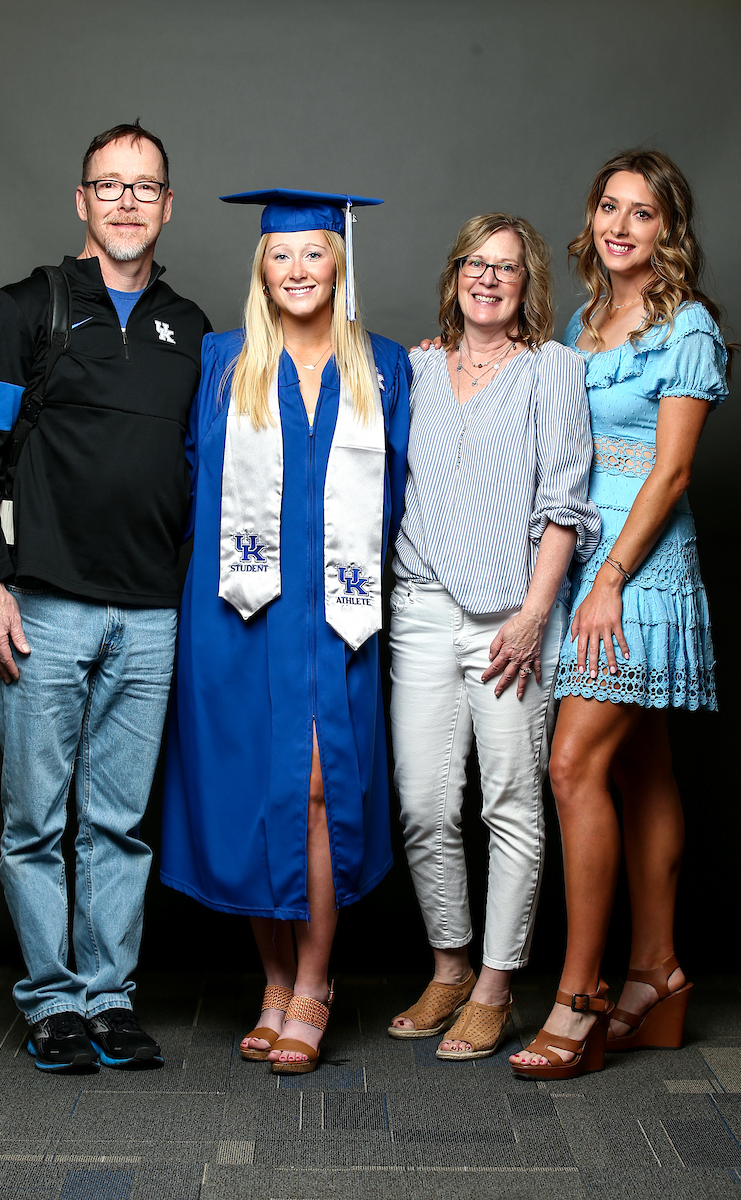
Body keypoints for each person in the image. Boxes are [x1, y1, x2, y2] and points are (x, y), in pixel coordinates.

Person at [0, 121, 210, 1071]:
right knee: (35, 822)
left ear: (167, 204)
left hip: (151, 615)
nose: (129, 201)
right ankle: (51, 1002)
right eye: (111, 186)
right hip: (42, 607)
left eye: (146, 187)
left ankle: (108, 1000)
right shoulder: (25, 309)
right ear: (82, 202)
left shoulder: (193, 329)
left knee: (119, 823)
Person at [160, 189, 410, 1074]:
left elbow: (406, 487)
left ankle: (314, 982)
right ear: (260, 269)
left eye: (314, 254)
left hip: (339, 616)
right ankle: (271, 982)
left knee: (316, 791)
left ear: (339, 262)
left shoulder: (384, 366)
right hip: (236, 613)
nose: (298, 270)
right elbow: (185, 476)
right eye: (281, 256)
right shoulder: (223, 361)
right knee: (251, 792)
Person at [510, 150, 730, 1081]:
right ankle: (658, 974)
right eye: (609, 206)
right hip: (584, 563)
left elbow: (675, 471)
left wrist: (609, 580)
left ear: (668, 231)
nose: (621, 225)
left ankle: (582, 995)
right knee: (639, 767)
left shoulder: (687, 327)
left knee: (572, 765)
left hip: (638, 568)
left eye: (643, 213)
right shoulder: (584, 321)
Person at [386, 214, 599, 1059]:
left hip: (510, 617)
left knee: (509, 803)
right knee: (425, 804)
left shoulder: (553, 369)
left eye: (506, 268)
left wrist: (534, 614)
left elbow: (564, 503)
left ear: (527, 285)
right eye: (476, 263)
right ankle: (448, 966)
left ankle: (496, 986)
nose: (488, 278)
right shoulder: (416, 367)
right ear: (455, 275)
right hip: (420, 608)